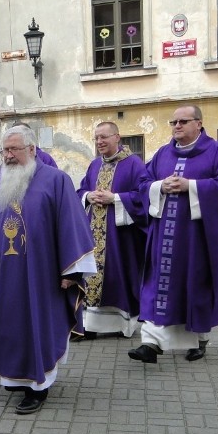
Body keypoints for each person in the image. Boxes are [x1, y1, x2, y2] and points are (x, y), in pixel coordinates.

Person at [0, 125, 96, 414]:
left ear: (31, 149)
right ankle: (14, 377)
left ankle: (38, 387)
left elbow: (71, 226)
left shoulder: (56, 181)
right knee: (9, 324)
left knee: (38, 324)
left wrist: (71, 272)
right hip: (6, 276)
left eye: (14, 149)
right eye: (4, 150)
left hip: (41, 276)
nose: (8, 156)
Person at [128, 105, 218, 364]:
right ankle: (151, 342)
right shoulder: (162, 153)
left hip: (197, 238)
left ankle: (199, 339)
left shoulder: (217, 152)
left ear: (199, 124)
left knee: (196, 286)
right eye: (173, 122)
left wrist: (190, 186)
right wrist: (160, 186)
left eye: (183, 121)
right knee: (158, 284)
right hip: (164, 237)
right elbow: (143, 183)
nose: (176, 126)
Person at [72, 122, 147, 340]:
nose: (99, 142)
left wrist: (115, 198)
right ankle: (90, 326)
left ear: (117, 137)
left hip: (120, 237)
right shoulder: (94, 165)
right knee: (91, 277)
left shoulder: (134, 164)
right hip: (93, 235)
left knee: (118, 278)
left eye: (104, 137)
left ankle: (123, 325)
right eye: (96, 138)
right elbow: (82, 188)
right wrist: (89, 196)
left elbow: (143, 195)